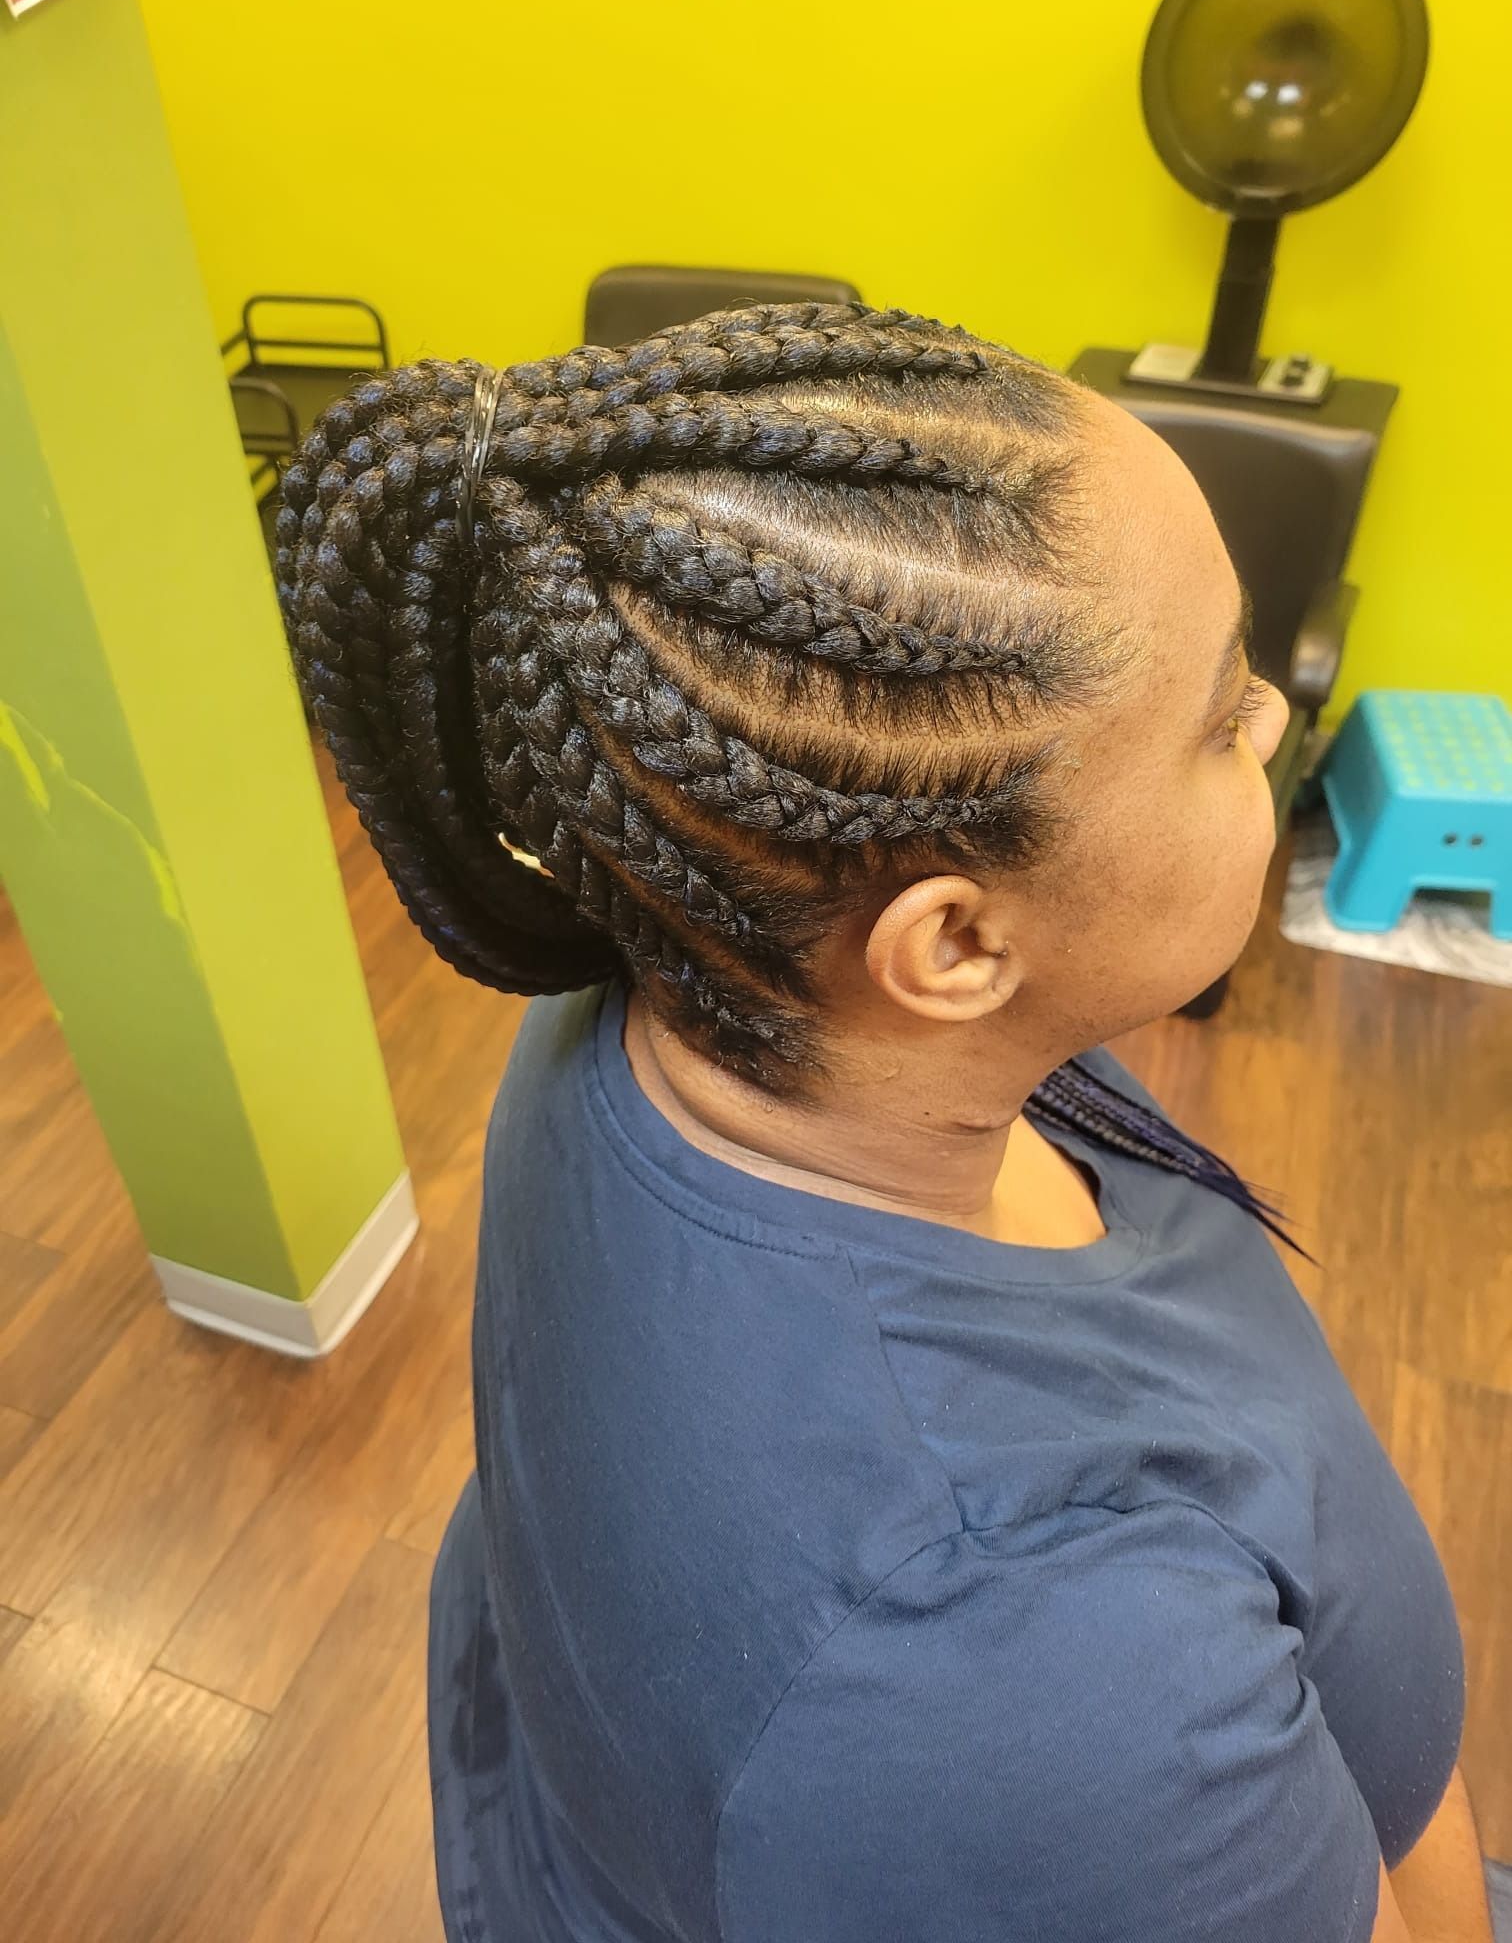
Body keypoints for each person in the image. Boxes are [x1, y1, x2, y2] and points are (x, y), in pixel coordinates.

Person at [277, 302, 1486, 1942]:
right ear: (957, 946)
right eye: (1220, 718)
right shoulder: (1022, 1678)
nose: (1275, 720)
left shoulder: (675, 998)